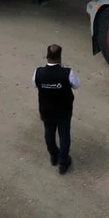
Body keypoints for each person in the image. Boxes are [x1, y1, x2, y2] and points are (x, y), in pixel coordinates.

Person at [33, 44, 80, 175]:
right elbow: (77, 85)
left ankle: (53, 156)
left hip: (46, 110)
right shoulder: (67, 73)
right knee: (64, 134)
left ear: (47, 56)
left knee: (49, 132)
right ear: (60, 57)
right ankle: (63, 163)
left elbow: (34, 84)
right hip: (63, 111)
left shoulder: (38, 72)